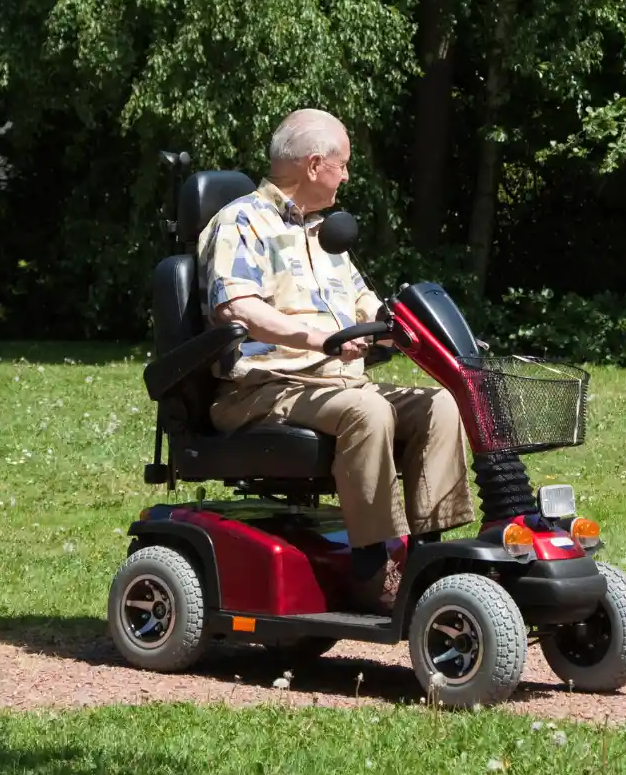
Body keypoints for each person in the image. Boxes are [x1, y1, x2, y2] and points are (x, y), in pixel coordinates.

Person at [196, 108, 474, 614]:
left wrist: (399, 328)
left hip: (335, 383)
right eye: (343, 165)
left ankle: (433, 556)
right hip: (263, 386)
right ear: (314, 164)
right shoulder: (241, 222)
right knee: (367, 413)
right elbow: (238, 308)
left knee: (441, 405)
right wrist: (319, 338)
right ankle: (373, 565)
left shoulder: (327, 235)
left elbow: (364, 305)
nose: (347, 175)